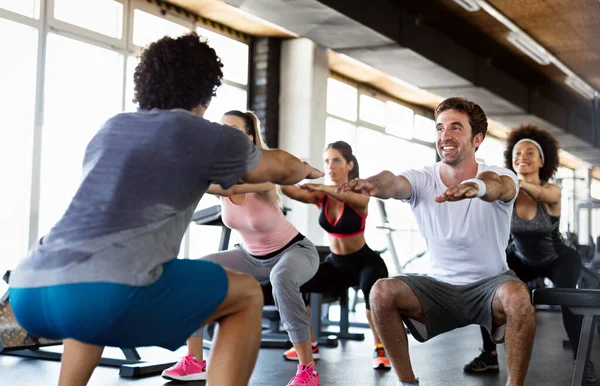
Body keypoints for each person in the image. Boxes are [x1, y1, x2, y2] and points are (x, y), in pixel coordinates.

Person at [7, 33, 322, 386]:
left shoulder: (112, 127)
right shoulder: (207, 135)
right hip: (104, 291)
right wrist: (307, 169)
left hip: (30, 288)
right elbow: (281, 167)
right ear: (205, 89)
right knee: (246, 293)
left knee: (89, 307)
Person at [340, 97, 536, 386]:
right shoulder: (423, 178)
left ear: (477, 138)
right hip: (439, 287)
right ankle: (408, 382)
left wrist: (478, 186)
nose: (445, 135)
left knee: (519, 297)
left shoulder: (498, 174)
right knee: (381, 291)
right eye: (440, 128)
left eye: (456, 128)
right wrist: (373, 183)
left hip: (490, 286)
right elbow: (392, 181)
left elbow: (500, 186)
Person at [161, 110, 320, 386]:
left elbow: (228, 189)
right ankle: (195, 361)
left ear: (247, 138)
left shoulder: (263, 180)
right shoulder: (215, 172)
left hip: (295, 251)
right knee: (195, 271)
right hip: (249, 256)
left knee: (281, 278)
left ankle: (307, 369)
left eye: (231, 129)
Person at [463, 125, 595, 382]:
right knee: (487, 288)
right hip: (521, 258)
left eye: (529, 152)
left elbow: (541, 193)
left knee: (569, 300)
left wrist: (514, 182)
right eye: (517, 153)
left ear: (542, 161)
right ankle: (489, 355)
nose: (522, 156)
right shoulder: (508, 194)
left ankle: (582, 359)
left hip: (558, 257)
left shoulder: (552, 191)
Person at [281, 141, 391, 370]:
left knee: (373, 293)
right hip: (335, 264)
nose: (330, 166)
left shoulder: (360, 193)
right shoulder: (321, 198)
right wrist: (289, 170)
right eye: (327, 161)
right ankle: (309, 344)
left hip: (364, 261)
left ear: (350, 164)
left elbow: (356, 200)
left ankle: (380, 348)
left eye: (337, 160)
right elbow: (287, 189)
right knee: (294, 283)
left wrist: (321, 187)